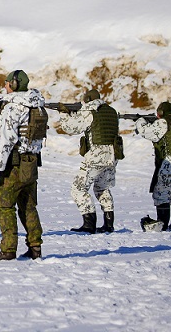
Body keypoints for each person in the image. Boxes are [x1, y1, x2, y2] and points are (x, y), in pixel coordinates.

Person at [0, 70, 47, 261]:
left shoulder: (13, 108)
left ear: (13, 84)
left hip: (13, 164)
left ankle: (8, 250)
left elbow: (6, 139)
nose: (5, 86)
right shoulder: (37, 107)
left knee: (5, 206)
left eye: (6, 83)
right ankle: (35, 247)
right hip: (31, 163)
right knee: (28, 206)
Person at [59, 89, 121, 233]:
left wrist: (64, 113)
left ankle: (89, 224)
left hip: (96, 156)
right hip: (113, 156)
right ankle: (108, 224)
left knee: (78, 188)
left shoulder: (90, 111)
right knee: (102, 188)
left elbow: (71, 127)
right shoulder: (112, 112)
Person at [135, 101, 171, 231]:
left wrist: (140, 121)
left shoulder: (164, 122)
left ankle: (162, 224)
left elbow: (147, 132)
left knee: (161, 193)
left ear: (161, 112)